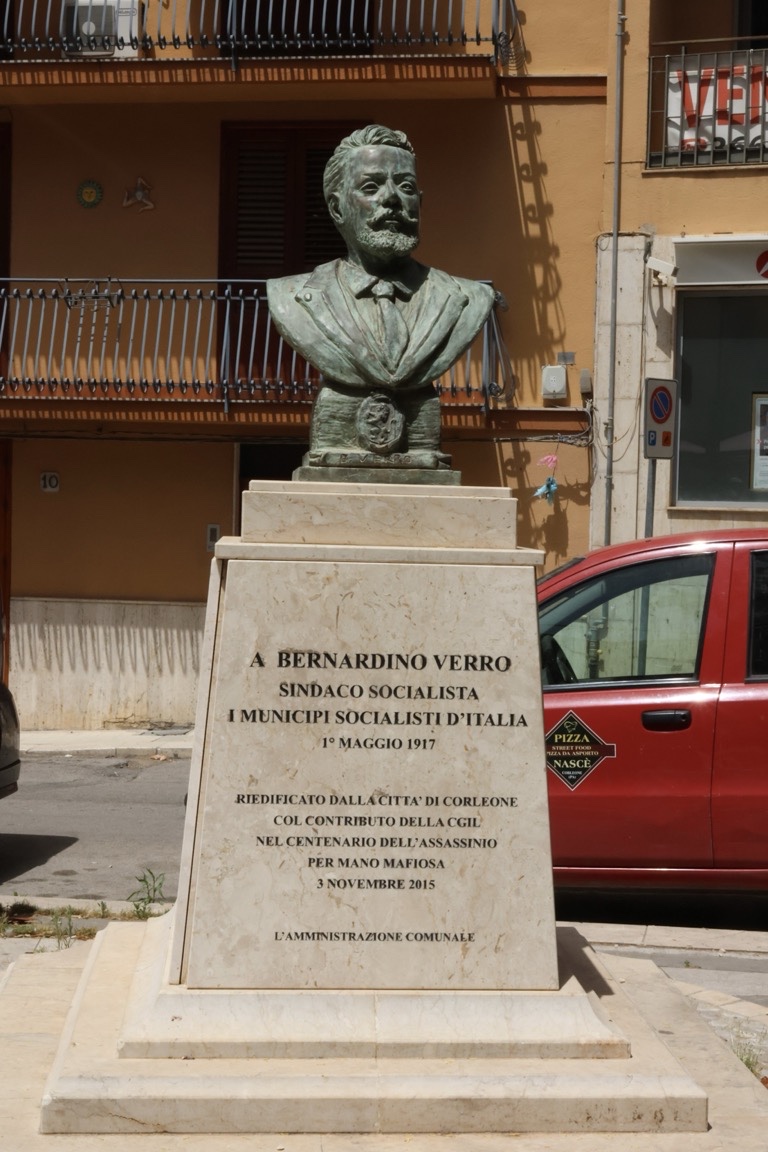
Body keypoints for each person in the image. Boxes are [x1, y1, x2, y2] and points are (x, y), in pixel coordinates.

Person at [266, 125, 496, 474]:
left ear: (420, 203)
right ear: (337, 207)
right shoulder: (293, 297)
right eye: (371, 187)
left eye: (405, 187)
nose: (392, 198)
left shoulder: (466, 297)